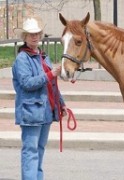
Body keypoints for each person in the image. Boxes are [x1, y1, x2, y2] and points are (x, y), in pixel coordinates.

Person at [12, 16, 68, 180]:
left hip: (45, 110)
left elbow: (52, 85)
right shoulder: (22, 59)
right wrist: (50, 74)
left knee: (40, 149)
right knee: (31, 151)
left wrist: (61, 104)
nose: (34, 37)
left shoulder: (43, 56)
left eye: (37, 33)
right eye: (31, 34)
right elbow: (27, 83)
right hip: (31, 111)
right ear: (25, 37)